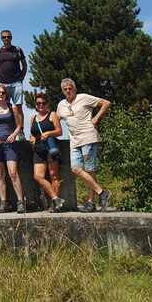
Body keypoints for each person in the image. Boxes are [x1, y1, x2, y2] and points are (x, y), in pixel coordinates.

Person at [57, 78, 111, 212]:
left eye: (70, 88)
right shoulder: (61, 105)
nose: (68, 91)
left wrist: (96, 118)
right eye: (65, 89)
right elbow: (55, 119)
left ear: (74, 89)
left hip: (88, 137)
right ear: (63, 91)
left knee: (89, 170)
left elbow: (106, 103)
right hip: (74, 141)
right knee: (75, 169)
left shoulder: (84, 97)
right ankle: (102, 192)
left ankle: (91, 202)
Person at [0, 83, 25, 213]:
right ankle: (4, 203)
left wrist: (14, 135)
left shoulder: (11, 107)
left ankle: (20, 202)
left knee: (13, 173)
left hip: (10, 143)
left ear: (6, 94)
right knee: (0, 174)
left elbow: (19, 125)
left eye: (3, 93)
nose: (1, 95)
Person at [29, 92, 65, 212]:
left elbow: (60, 131)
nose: (41, 105)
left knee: (54, 176)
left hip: (51, 148)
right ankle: (56, 198)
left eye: (43, 103)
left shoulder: (52, 115)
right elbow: (32, 133)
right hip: (38, 150)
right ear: (36, 104)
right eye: (38, 103)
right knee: (37, 176)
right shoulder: (33, 118)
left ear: (47, 104)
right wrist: (32, 139)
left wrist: (49, 133)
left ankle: (55, 206)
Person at [0, 30, 27, 137]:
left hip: (16, 83)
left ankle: (20, 130)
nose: (6, 39)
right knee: (4, 108)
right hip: (3, 84)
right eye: (4, 37)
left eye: (8, 37)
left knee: (18, 107)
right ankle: (7, 130)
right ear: (1, 39)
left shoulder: (17, 50)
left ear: (11, 38)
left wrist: (22, 77)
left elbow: (24, 65)